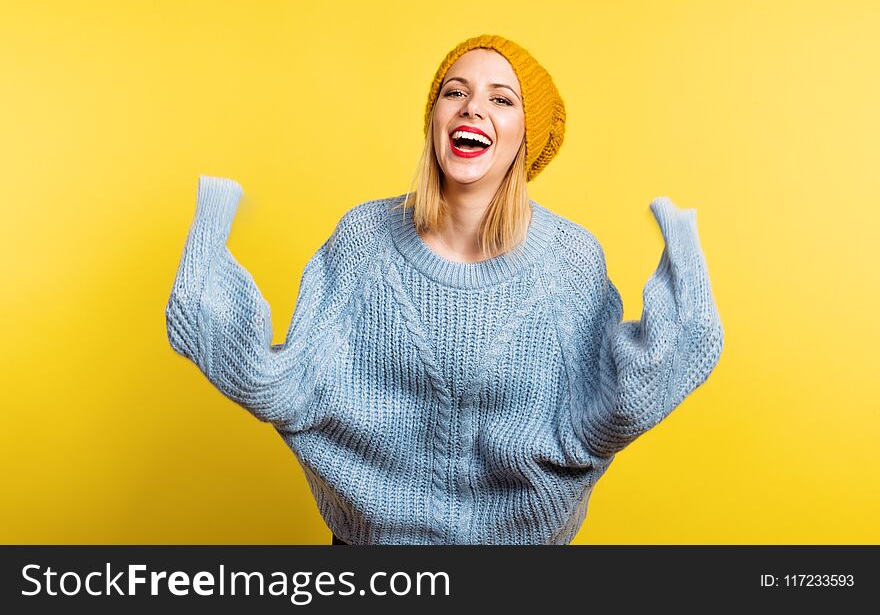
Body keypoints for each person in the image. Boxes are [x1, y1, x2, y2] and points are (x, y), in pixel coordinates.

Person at [165, 34, 724, 546]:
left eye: (502, 99)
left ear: (527, 136)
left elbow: (609, 411)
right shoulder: (365, 240)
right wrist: (209, 251)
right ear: (435, 117)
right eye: (455, 91)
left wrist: (683, 252)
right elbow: (292, 387)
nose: (472, 107)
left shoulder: (569, 262)